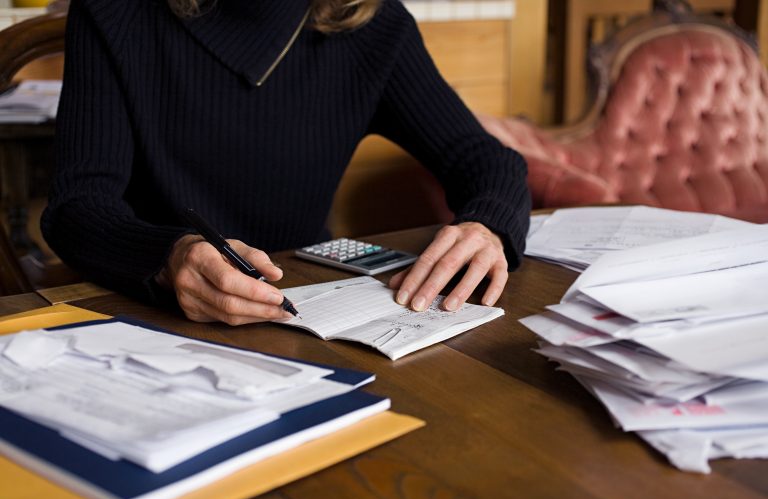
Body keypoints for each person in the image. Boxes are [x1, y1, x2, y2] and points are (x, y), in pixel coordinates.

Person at [42, 0, 531, 325]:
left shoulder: (376, 28)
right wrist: (168, 258)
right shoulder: (113, 11)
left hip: (311, 312)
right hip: (156, 316)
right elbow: (78, 206)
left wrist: (487, 226)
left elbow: (484, 159)